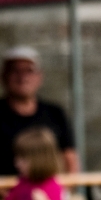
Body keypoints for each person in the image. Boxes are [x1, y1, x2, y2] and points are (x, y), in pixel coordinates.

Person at [0, 47, 78, 176]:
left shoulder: (55, 113)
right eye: (15, 71)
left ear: (39, 76)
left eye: (29, 71)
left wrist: (66, 185)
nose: (22, 77)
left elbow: (70, 158)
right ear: (4, 76)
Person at [7, 128, 63, 200]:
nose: (17, 163)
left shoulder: (52, 188)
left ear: (39, 160)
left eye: (23, 159)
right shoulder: (23, 182)